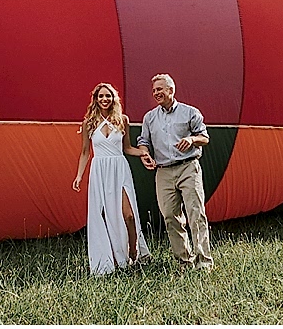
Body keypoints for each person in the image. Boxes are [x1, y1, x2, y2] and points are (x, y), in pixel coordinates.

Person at [73, 82, 152, 275]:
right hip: (99, 170)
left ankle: (133, 249)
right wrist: (79, 176)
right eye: (101, 96)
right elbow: (85, 152)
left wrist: (142, 153)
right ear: (95, 99)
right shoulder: (89, 123)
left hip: (120, 168)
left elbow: (127, 148)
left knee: (129, 214)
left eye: (108, 96)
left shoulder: (122, 120)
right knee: (104, 216)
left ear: (113, 98)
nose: (104, 99)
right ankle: (112, 258)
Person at [137, 73, 213, 271]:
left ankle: (204, 262)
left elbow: (204, 137)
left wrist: (192, 140)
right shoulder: (150, 118)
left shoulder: (190, 112)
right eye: (154, 90)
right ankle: (184, 262)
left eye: (160, 89)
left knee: (196, 214)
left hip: (188, 166)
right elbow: (143, 141)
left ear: (171, 90)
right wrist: (144, 154)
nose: (156, 93)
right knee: (170, 216)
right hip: (163, 171)